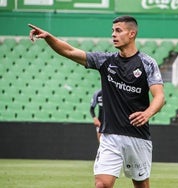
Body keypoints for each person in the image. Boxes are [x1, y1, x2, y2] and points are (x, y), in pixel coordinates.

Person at [28, 15, 165, 188]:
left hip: (137, 136)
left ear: (132, 34)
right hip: (110, 136)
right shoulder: (105, 60)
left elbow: (159, 96)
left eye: (118, 30)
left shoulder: (147, 63)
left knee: (141, 184)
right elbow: (70, 51)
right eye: (112, 31)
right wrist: (49, 37)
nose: (113, 34)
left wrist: (148, 113)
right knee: (102, 184)